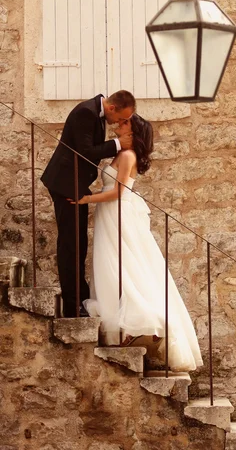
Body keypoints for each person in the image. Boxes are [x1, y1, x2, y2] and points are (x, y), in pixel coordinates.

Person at [74, 114, 203, 372]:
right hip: (110, 212)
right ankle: (124, 330)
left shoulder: (128, 156)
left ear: (134, 134)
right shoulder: (121, 153)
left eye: (124, 125)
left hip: (117, 211)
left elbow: (119, 192)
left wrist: (85, 200)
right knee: (113, 265)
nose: (119, 126)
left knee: (120, 265)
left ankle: (145, 323)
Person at [41, 91, 136, 318]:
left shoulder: (96, 112)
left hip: (75, 184)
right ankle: (73, 306)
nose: (120, 123)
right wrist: (117, 143)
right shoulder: (86, 111)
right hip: (66, 184)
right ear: (112, 108)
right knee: (71, 244)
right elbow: (84, 152)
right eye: (121, 118)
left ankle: (80, 297)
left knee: (79, 243)